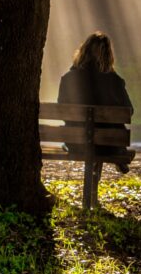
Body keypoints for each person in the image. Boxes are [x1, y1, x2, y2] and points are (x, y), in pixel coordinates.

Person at [57, 31, 133, 173]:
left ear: (83, 52)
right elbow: (129, 111)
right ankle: (118, 155)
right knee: (105, 137)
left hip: (76, 142)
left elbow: (62, 111)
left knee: (90, 136)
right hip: (109, 144)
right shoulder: (115, 81)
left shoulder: (68, 79)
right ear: (108, 55)